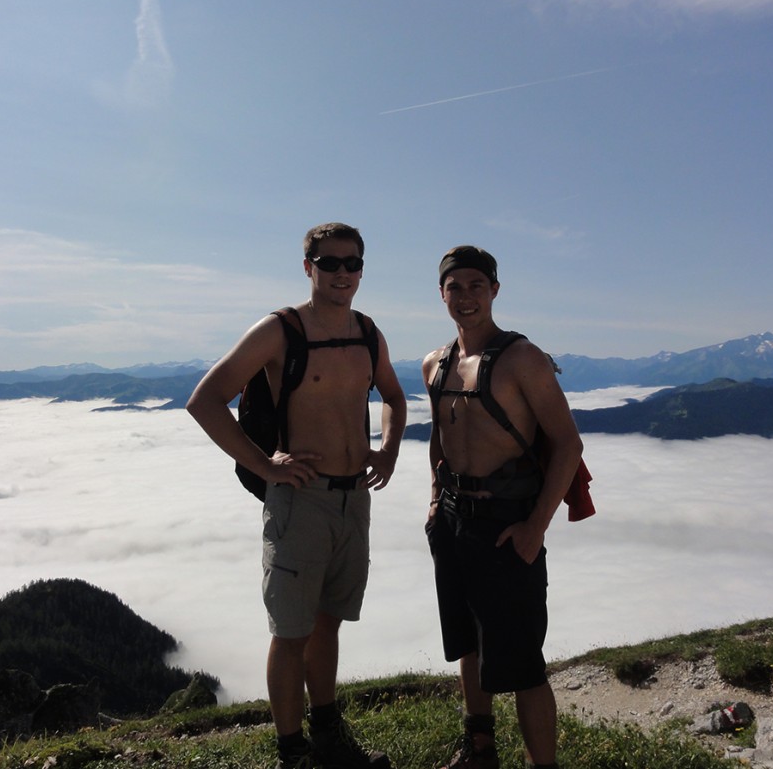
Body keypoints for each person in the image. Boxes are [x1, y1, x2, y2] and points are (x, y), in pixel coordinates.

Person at [187, 223, 407, 769]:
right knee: (291, 633)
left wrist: (389, 449)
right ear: (307, 266)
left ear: (362, 269)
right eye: (328, 263)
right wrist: (263, 465)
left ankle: (328, 738)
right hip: (300, 502)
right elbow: (205, 400)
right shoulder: (279, 330)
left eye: (352, 263)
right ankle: (293, 754)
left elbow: (395, 398)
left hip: (354, 498)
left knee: (328, 621)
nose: (342, 273)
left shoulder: (367, 332)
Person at [422, 246, 584, 769]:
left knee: (522, 664)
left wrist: (535, 528)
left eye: (476, 285)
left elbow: (567, 444)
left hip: (506, 524)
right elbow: (439, 438)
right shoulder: (435, 363)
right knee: (467, 642)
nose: (465, 297)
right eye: (455, 287)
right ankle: (479, 750)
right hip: (453, 519)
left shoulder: (522, 360)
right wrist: (433, 500)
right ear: (441, 292)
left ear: (494, 290)